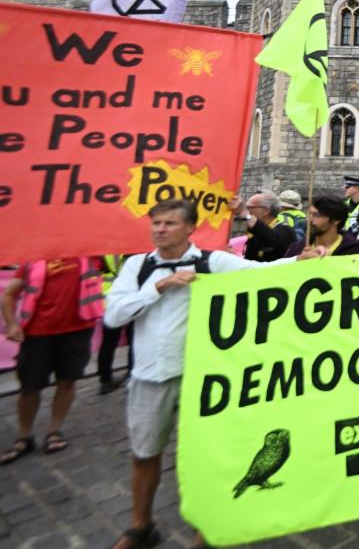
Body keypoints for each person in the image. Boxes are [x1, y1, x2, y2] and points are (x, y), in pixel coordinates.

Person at [102, 199, 313, 549]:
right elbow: (114, 317)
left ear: (189, 228)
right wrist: (159, 286)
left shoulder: (210, 262)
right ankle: (140, 526)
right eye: (156, 223)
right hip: (148, 377)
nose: (160, 229)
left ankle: (206, 529)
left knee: (204, 457)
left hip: (200, 382)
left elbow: (261, 272)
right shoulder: (137, 267)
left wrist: (299, 260)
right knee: (144, 454)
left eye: (169, 223)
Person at [1, 256, 104, 464]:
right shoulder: (34, 260)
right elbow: (9, 295)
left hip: (78, 331)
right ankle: (25, 436)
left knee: (67, 382)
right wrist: (11, 325)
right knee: (29, 387)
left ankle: (54, 431)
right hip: (37, 333)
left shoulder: (91, 256)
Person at [97, 253, 134, 394]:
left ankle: (105, 380)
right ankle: (131, 374)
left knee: (108, 343)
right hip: (127, 299)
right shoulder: (131, 252)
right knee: (133, 339)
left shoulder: (102, 252)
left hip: (108, 301)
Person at [283, 194, 359, 258]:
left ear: (336, 220)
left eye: (317, 215)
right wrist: (299, 259)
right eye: (309, 213)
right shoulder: (297, 249)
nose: (310, 220)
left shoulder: (353, 251)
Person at [229, 190, 297, 262]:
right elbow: (251, 262)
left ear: (266, 211)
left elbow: (271, 239)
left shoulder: (285, 230)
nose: (248, 211)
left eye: (249, 208)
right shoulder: (256, 233)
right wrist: (232, 256)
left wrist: (245, 213)